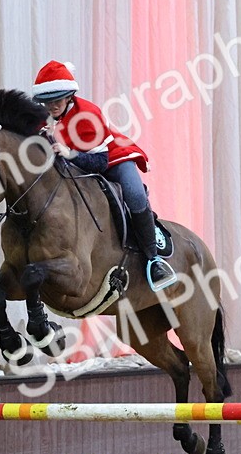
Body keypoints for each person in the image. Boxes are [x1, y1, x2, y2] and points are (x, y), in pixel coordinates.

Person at [31, 60, 177, 291]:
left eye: (57, 100)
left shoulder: (88, 114)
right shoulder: (42, 117)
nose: (52, 106)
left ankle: (154, 260)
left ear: (69, 96)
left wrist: (70, 154)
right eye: (47, 102)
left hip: (113, 159)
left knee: (135, 194)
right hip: (76, 165)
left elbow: (100, 163)